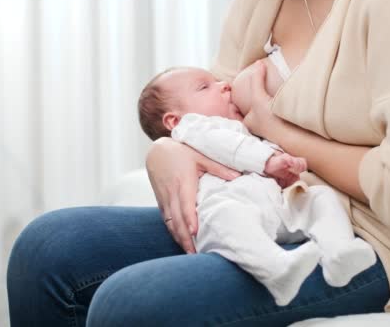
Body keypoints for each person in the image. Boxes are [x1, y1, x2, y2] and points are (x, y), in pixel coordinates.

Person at [6, 0, 390, 326]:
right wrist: (168, 151)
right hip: (273, 201)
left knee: (130, 304)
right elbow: (216, 107)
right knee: (47, 248)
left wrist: (273, 128)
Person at [136, 65, 377, 305]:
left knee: (318, 197)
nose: (224, 85)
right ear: (173, 120)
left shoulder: (242, 130)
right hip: (231, 214)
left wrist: (285, 172)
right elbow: (227, 146)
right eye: (204, 87)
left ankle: (339, 251)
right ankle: (277, 269)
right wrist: (270, 161)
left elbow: (254, 149)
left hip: (274, 211)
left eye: (218, 81)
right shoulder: (192, 129)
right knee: (226, 214)